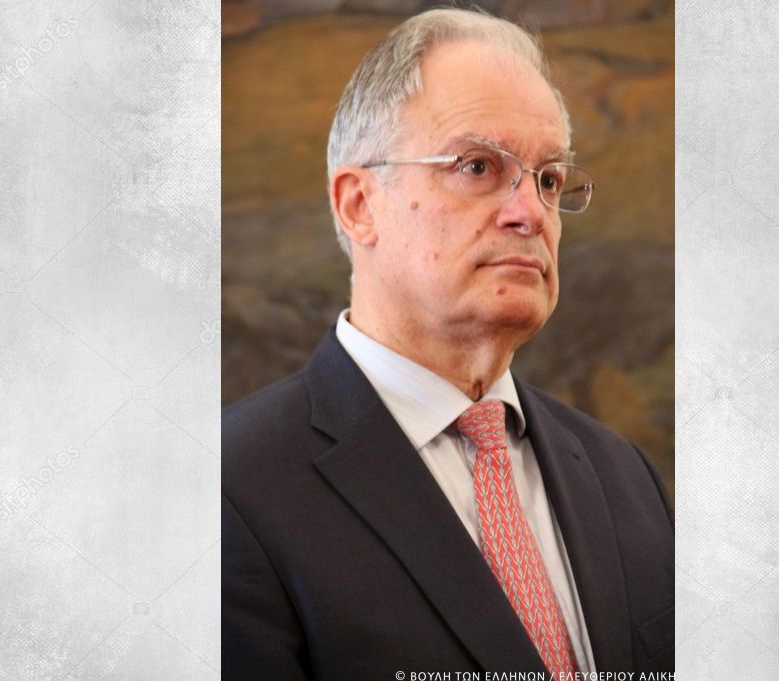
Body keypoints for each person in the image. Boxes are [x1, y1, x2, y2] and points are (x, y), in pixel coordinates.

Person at [222, 8, 673, 678]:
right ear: (358, 205)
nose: (530, 213)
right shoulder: (228, 488)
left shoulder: (626, 477)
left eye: (549, 178)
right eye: (477, 166)